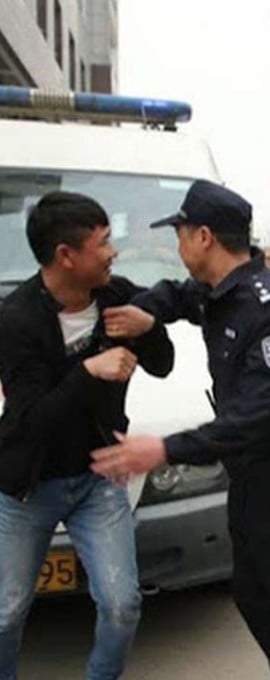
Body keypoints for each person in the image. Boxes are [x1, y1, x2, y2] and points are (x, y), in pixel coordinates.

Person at [88, 180, 270, 679]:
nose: (178, 245)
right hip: (250, 476)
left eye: (180, 234)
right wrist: (146, 313)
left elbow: (252, 420)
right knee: (255, 597)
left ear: (204, 237)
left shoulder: (268, 310)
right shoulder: (218, 291)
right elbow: (177, 296)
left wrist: (164, 449)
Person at [0, 192, 174, 680]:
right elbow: (31, 421)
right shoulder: (15, 319)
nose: (113, 252)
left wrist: (148, 327)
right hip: (27, 489)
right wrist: (89, 371)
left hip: (99, 481)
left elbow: (163, 365)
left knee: (122, 605)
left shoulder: (117, 295)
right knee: (6, 612)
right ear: (66, 255)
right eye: (103, 242)